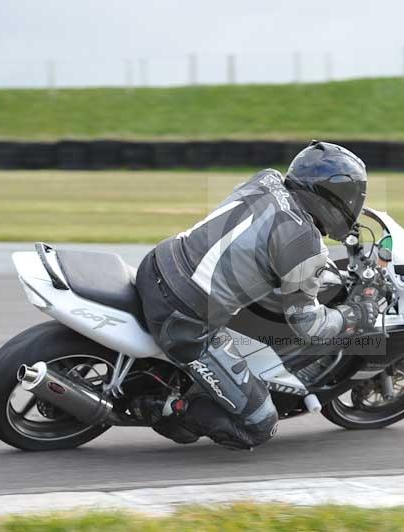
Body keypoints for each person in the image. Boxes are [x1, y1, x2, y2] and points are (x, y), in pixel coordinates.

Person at [134, 140, 379, 450]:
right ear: (335, 197)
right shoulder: (305, 245)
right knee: (260, 426)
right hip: (183, 315)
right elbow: (308, 326)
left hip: (159, 262)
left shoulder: (266, 178)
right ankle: (166, 410)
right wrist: (353, 314)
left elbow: (263, 235)